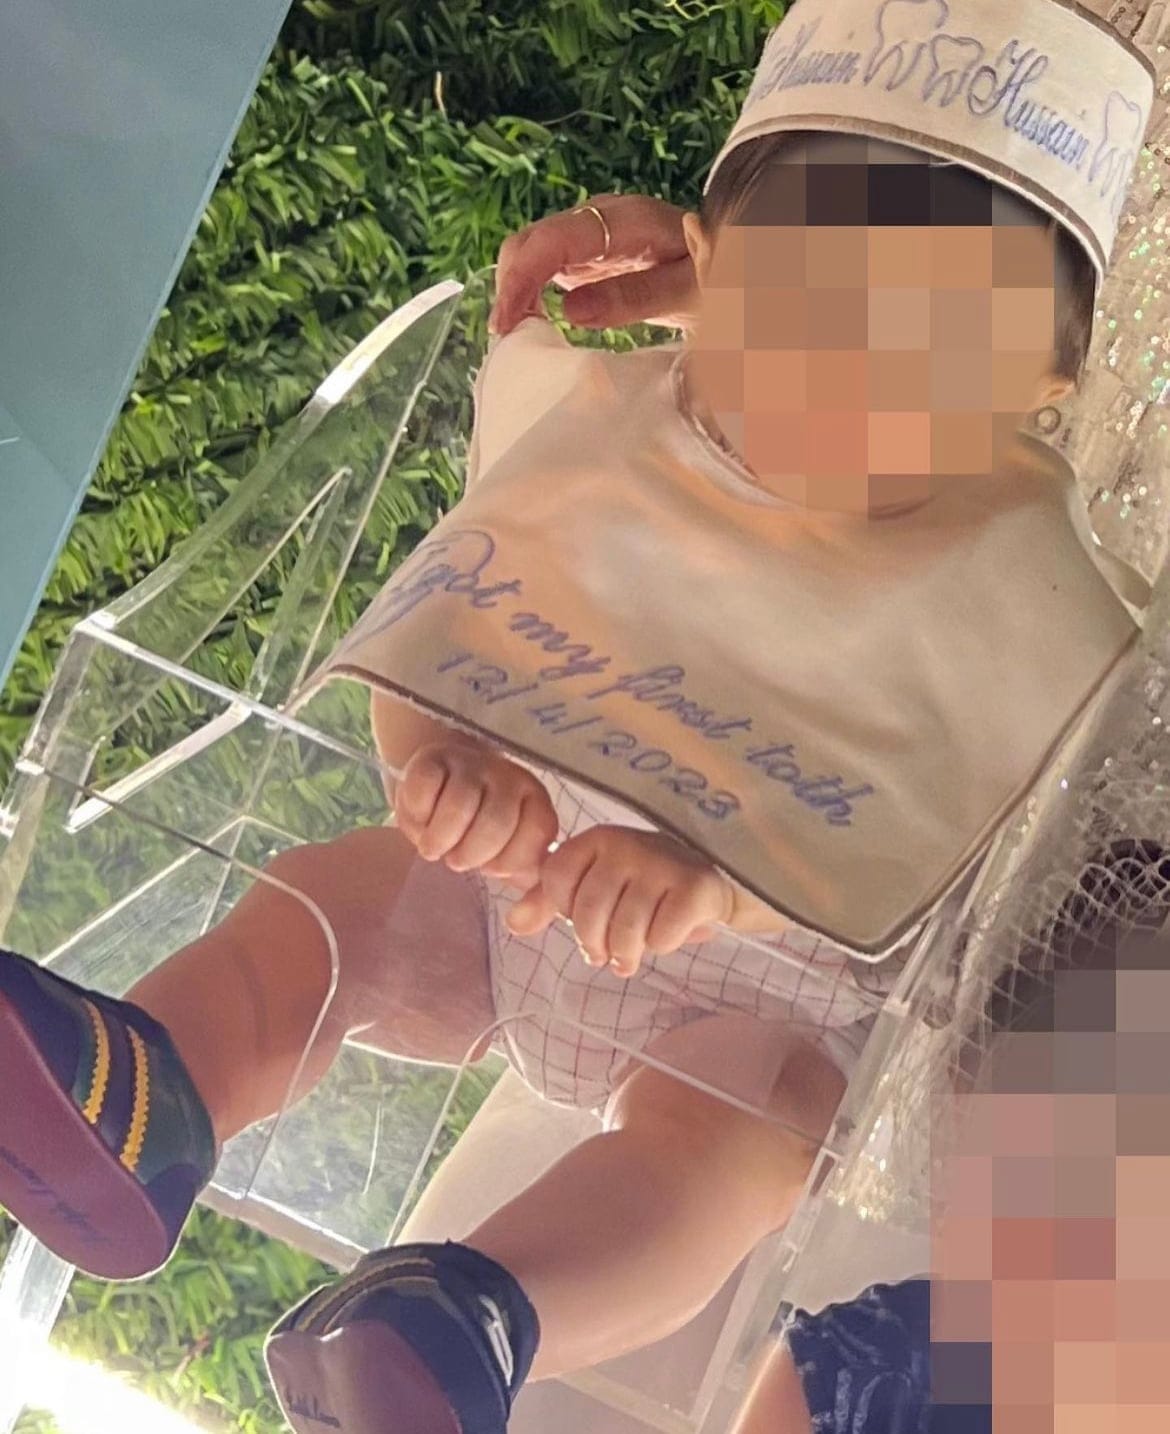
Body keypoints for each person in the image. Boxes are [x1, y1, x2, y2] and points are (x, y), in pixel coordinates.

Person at [0, 0, 1155, 1430]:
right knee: (341, 904)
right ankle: (155, 1085)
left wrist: (718, 884)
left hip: (770, 989)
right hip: (516, 889)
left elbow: (949, 817)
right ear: (710, 269)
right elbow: (456, 609)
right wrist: (441, 767)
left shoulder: (1010, 579)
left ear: (1040, 392)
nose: (844, 385)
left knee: (742, 1137)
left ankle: (474, 1311)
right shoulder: (608, 426)